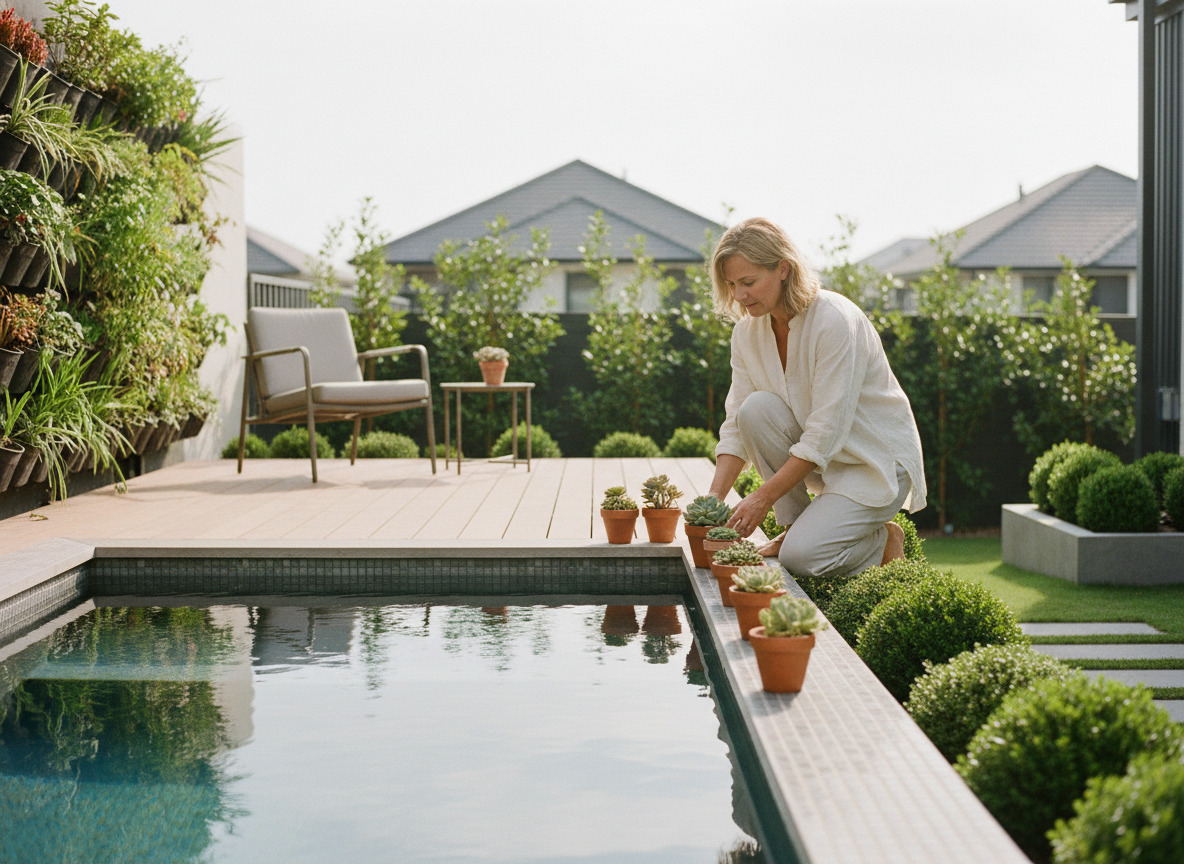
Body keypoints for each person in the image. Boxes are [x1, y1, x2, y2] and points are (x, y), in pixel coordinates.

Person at [705, 217, 926, 580]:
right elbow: (736, 425)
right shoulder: (747, 332)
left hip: (872, 464)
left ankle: (882, 541)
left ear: (782, 269)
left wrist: (762, 498)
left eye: (748, 282)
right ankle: (794, 526)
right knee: (754, 410)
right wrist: (713, 499)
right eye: (731, 285)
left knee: (802, 560)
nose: (739, 296)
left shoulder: (834, 320)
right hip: (824, 462)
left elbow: (825, 433)